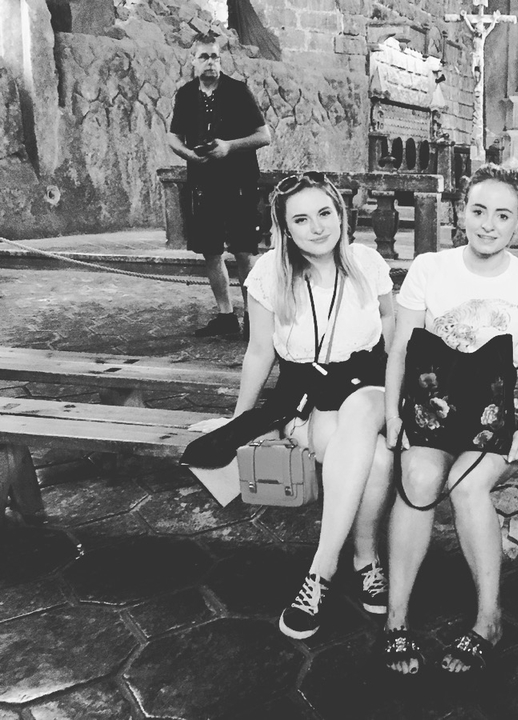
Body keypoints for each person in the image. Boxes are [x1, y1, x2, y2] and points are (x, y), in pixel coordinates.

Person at [190, 172, 396, 639]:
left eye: (325, 213)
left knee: (364, 408)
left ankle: (319, 573)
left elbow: (390, 322)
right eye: (301, 219)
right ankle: (365, 559)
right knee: (378, 461)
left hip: (372, 383)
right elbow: (261, 351)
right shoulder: (268, 272)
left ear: (341, 215)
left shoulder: (367, 261)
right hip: (308, 392)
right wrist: (244, 419)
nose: (317, 227)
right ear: (285, 227)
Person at [381, 164, 518, 675]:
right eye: (478, 211)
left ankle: (487, 618)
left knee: (464, 485)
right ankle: (396, 619)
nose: (488, 224)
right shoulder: (430, 269)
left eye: (503, 215)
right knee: (418, 476)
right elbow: (400, 353)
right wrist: (393, 414)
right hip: (431, 411)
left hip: (493, 417)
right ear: (461, 212)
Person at [168, 34, 271, 338]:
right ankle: (225, 315)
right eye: (204, 57)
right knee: (211, 252)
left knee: (243, 252)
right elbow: (173, 136)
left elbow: (264, 136)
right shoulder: (186, 95)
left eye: (214, 57)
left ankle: (254, 317)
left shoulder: (237, 91)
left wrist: (229, 146)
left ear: (220, 59)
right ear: (193, 60)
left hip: (239, 183)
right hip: (204, 184)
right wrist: (187, 154)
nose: (210, 62)